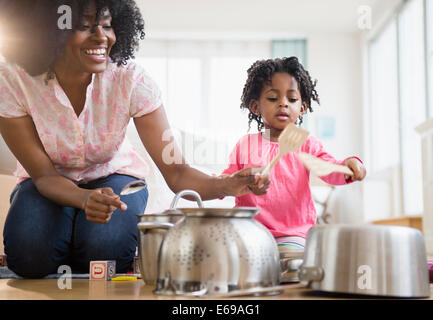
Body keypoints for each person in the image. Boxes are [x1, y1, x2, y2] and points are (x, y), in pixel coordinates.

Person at [0, 0, 267, 278]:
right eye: (84, 26)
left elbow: (176, 171)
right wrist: (81, 199)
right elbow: (43, 177)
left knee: (104, 253)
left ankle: (75, 239)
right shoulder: (12, 81)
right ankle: (68, 228)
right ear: (46, 32)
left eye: (106, 25)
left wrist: (227, 184)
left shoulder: (132, 81)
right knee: (29, 256)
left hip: (114, 177)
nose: (102, 36)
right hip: (48, 181)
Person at [221, 57, 366, 253]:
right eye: (273, 98)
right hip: (249, 230)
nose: (283, 104)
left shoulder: (306, 144)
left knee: (288, 265)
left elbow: (328, 168)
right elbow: (227, 180)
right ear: (256, 106)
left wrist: (348, 165)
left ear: (302, 108)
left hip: (292, 233)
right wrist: (219, 184)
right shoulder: (245, 144)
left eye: (292, 99)